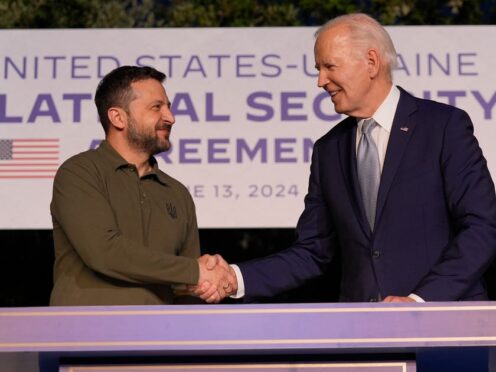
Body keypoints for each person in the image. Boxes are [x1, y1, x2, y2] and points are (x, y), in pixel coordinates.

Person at [193, 13, 496, 303]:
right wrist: (233, 277)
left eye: (329, 66)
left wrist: (419, 301)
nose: (320, 81)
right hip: (366, 334)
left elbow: (483, 227)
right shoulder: (329, 151)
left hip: (445, 326)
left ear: (372, 62)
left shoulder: (443, 127)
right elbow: (313, 252)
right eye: (318, 69)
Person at [50, 66, 233, 306]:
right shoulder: (80, 172)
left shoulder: (177, 193)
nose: (170, 117)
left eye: (168, 106)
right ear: (118, 117)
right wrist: (197, 272)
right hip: (86, 335)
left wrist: (208, 285)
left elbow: (186, 285)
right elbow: (104, 252)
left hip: (159, 338)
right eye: (157, 107)